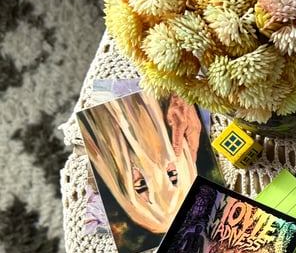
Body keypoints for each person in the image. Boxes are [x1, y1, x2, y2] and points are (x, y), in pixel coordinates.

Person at [77, 91, 202, 234]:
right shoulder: (176, 114)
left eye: (142, 185)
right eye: (172, 175)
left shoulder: (86, 148)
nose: (152, 173)